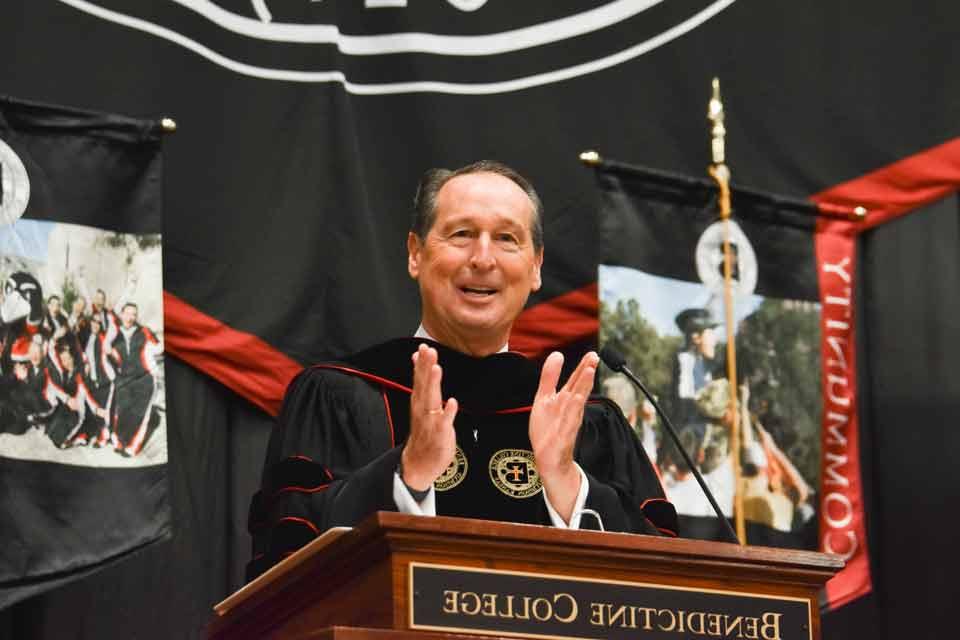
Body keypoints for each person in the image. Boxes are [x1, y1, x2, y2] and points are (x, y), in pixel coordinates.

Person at [247, 161, 676, 580]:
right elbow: (286, 561)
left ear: (536, 267)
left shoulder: (584, 421)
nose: (483, 258)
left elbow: (665, 583)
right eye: (462, 234)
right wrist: (405, 476)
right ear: (416, 254)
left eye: (507, 238)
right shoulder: (339, 397)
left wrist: (568, 485)